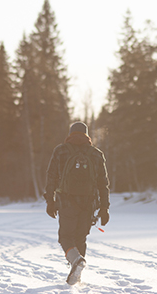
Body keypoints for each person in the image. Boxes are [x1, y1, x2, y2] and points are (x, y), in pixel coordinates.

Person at [44, 121, 110, 285]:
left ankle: (76, 263)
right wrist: (104, 208)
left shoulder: (61, 151)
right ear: (86, 135)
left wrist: (50, 201)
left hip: (67, 201)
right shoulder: (96, 154)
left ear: (70, 134)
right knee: (80, 238)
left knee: (65, 237)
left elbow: (51, 176)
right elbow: (103, 183)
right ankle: (77, 274)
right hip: (89, 203)